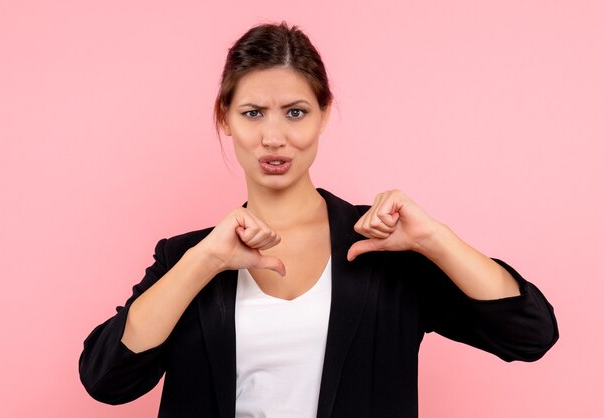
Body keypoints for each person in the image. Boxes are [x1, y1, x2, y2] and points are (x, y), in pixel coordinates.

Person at [79, 21, 558, 418]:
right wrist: (203, 262)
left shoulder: (381, 248)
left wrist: (435, 240)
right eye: (252, 113)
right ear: (224, 119)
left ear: (324, 114)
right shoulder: (187, 258)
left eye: (295, 112)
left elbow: (530, 334)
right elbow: (108, 379)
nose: (273, 136)